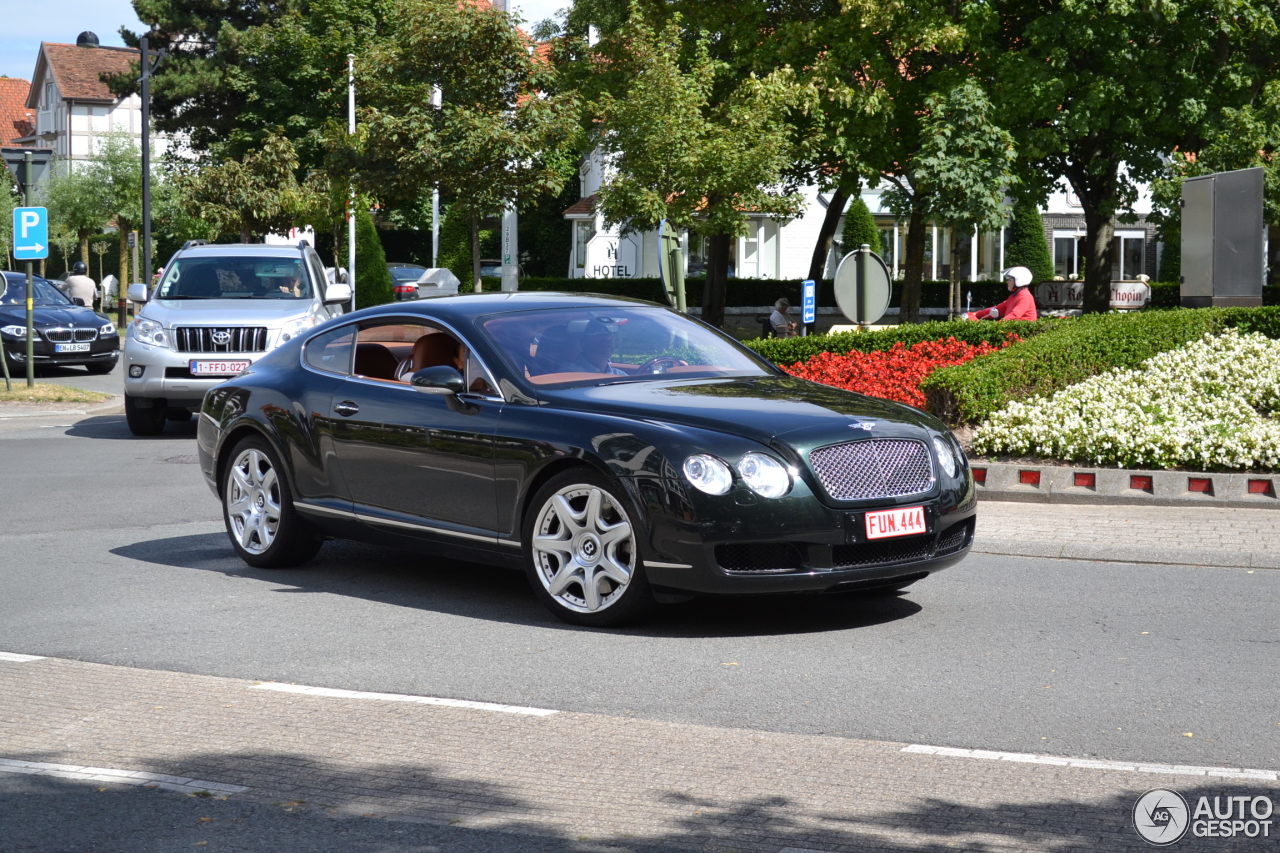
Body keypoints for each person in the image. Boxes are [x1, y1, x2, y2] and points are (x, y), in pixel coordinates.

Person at [967, 266, 1038, 321]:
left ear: (1019, 281)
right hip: (1013, 332)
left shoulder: (1025, 297)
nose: (1007, 282)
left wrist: (998, 326)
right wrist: (977, 314)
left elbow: (1014, 315)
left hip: (1022, 335)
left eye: (1009, 280)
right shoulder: (1014, 296)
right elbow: (998, 309)